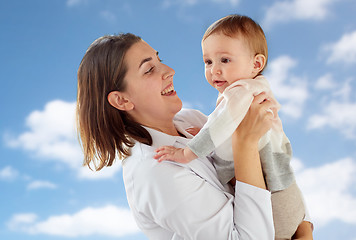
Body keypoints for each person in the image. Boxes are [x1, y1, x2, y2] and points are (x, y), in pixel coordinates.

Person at [76, 31, 313, 239]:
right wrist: (245, 144)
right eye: (149, 69)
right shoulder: (154, 171)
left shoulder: (192, 121)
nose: (169, 71)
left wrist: (304, 227)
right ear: (122, 100)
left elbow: (272, 162)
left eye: (160, 60)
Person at [155, 15, 311, 239]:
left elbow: (223, 122)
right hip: (288, 198)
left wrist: (187, 152)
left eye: (225, 60)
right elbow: (226, 126)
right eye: (208, 62)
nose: (214, 70)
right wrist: (211, 135)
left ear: (256, 64)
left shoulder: (239, 93)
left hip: (273, 203)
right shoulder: (256, 88)